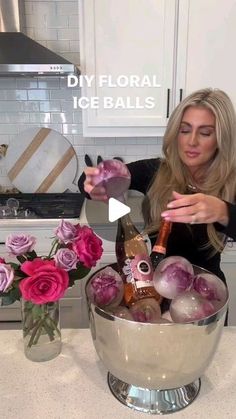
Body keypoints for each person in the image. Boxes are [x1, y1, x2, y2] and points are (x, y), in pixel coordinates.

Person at [78, 88, 236, 293]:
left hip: (207, 295)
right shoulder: (155, 171)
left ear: (221, 139)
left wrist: (223, 212)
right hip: (156, 292)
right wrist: (92, 183)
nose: (192, 141)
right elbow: (95, 178)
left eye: (205, 132)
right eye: (185, 130)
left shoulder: (231, 182)